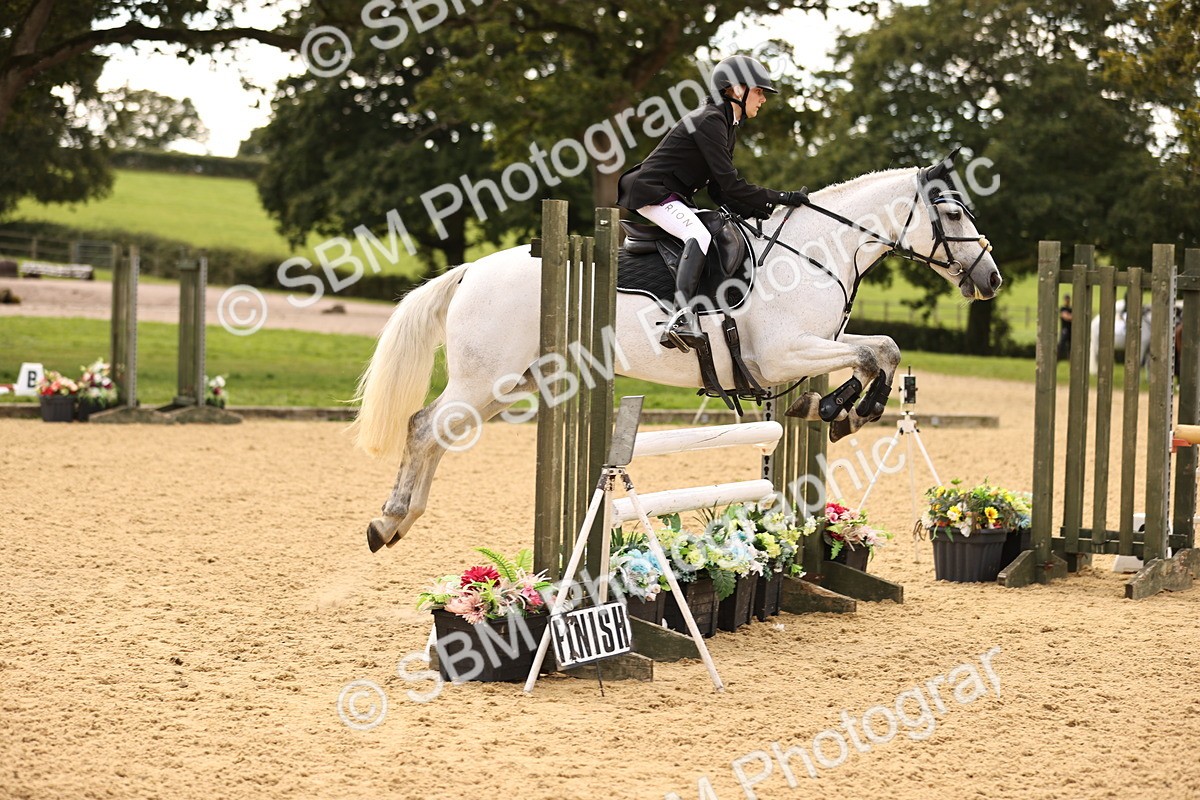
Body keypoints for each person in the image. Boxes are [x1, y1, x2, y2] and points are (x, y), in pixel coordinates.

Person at [616, 55, 808, 351]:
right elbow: (731, 183)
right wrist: (781, 197)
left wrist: (762, 211)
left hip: (672, 195)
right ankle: (680, 317)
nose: (763, 100)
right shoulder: (710, 120)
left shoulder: (726, 124)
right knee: (699, 234)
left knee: (718, 229)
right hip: (651, 192)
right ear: (736, 89)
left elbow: (720, 191)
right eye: (759, 92)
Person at [1058, 293, 1072, 359]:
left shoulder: (1071, 309)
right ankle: (1058, 357)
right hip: (1064, 329)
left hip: (1070, 329)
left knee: (1070, 345)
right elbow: (1065, 316)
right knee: (1062, 344)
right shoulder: (1063, 308)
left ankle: (1069, 358)